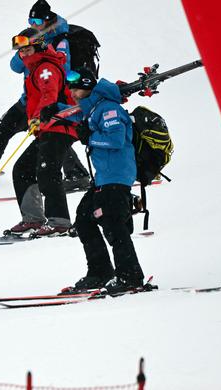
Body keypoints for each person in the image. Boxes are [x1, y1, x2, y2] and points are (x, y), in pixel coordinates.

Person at [0, 0, 89, 192]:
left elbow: (62, 71)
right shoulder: (30, 38)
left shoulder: (61, 41)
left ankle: (77, 175)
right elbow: (15, 67)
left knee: (53, 139)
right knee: (3, 129)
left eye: (36, 20)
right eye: (30, 20)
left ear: (48, 20)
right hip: (28, 100)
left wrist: (40, 51)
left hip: (51, 102)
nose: (32, 24)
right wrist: (26, 49)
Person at [65, 68, 145, 293]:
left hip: (116, 177)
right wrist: (52, 111)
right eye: (71, 88)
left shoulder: (109, 109)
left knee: (113, 225)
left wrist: (90, 137)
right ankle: (100, 272)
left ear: (88, 87)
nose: (72, 92)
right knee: (84, 219)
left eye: (76, 88)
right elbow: (73, 114)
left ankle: (130, 276)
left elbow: (116, 140)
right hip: (103, 178)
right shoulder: (93, 109)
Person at [6, 28, 79, 237]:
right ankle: (33, 219)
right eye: (21, 52)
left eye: (27, 50)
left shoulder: (46, 67)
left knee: (47, 170)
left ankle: (59, 221)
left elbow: (50, 94)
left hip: (59, 125)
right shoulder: (36, 67)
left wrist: (39, 116)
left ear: (38, 46)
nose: (24, 55)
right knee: (23, 168)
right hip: (47, 128)